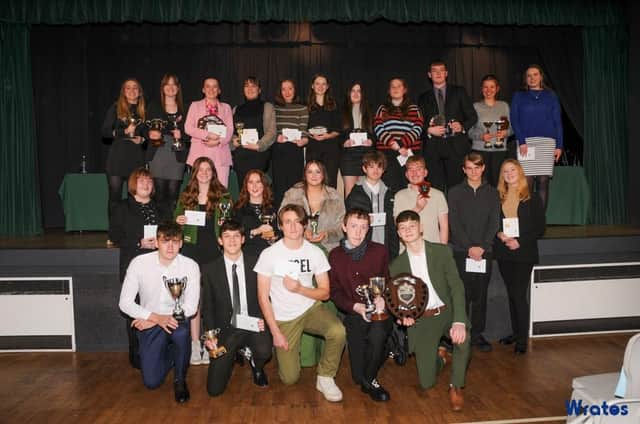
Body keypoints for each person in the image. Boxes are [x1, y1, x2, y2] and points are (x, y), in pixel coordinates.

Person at [255, 204, 346, 402]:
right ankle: (284, 356)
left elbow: (325, 293)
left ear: (305, 225)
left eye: (298, 221)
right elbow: (263, 297)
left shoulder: (315, 252)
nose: (293, 226)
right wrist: (275, 333)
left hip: (309, 308)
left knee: (338, 331)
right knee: (289, 379)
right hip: (284, 317)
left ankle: (325, 377)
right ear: (280, 226)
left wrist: (300, 289)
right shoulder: (269, 255)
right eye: (288, 222)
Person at [390, 210, 470, 412]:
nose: (408, 230)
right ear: (398, 233)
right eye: (403, 227)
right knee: (427, 383)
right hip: (424, 320)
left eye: (412, 226)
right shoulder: (396, 266)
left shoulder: (441, 252)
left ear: (421, 227)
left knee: (463, 339)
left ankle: (456, 386)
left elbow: (456, 286)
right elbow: (400, 303)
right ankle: (441, 356)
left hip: (447, 312)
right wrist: (404, 318)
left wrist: (459, 321)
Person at [118, 222, 200, 403]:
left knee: (182, 333)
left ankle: (180, 380)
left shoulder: (190, 266)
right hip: (151, 322)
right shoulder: (139, 263)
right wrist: (155, 319)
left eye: (175, 241)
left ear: (181, 244)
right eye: (165, 241)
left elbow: (191, 307)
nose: (170, 246)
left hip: (176, 322)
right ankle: (174, 354)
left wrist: (157, 319)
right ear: (156, 242)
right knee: (151, 382)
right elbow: (124, 303)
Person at [201, 220, 273, 396]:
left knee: (264, 350)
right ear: (220, 240)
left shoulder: (256, 263)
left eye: (236, 236)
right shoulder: (209, 269)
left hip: (253, 322)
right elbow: (208, 307)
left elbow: (266, 297)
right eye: (227, 236)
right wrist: (211, 336)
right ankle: (236, 351)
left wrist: (264, 320)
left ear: (242, 239)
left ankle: (256, 364)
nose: (231, 241)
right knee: (214, 390)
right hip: (227, 328)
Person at [328, 209, 392, 401]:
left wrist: (383, 298)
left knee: (378, 333)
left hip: (379, 311)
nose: (358, 232)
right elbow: (334, 291)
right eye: (354, 226)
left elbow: (386, 281)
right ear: (344, 227)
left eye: (363, 227)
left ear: (368, 229)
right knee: (357, 377)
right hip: (354, 312)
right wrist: (355, 306)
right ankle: (383, 351)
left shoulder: (379, 251)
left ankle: (371, 380)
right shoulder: (335, 255)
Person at [175, 156, 233, 365]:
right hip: (191, 252)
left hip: (214, 252)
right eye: (201, 169)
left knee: (211, 301)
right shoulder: (186, 196)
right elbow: (176, 222)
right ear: (195, 172)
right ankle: (194, 345)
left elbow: (229, 224)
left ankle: (212, 344)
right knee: (194, 301)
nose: (205, 173)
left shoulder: (223, 196)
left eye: (209, 169)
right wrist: (179, 221)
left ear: (213, 172)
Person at [447, 153, 500, 352]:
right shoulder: (454, 192)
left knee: (480, 295)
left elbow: (494, 221)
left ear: (483, 168)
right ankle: (460, 333)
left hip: (484, 252)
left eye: (477, 167)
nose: (473, 171)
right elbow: (455, 223)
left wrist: (483, 246)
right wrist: (469, 247)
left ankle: (477, 334)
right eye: (469, 168)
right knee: (461, 294)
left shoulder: (493, 193)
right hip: (462, 251)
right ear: (463, 170)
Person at [109, 167, 161, 369]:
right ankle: (137, 354)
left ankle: (158, 351)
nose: (146, 185)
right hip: (134, 265)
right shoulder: (122, 207)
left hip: (159, 265)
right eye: (141, 182)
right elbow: (114, 235)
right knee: (136, 310)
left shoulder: (161, 207)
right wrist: (139, 243)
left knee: (158, 308)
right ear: (133, 185)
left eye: (149, 182)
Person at [494, 160, 545, 354]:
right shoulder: (498, 196)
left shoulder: (532, 197)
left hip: (524, 252)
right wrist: (499, 234)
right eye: (505, 171)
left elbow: (540, 228)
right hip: (504, 250)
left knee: (518, 294)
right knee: (511, 294)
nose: (509, 173)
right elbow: (493, 222)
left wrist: (519, 241)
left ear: (520, 172)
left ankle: (522, 340)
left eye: (512, 170)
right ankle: (516, 333)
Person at [419, 61, 478, 192]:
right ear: (429, 75)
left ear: (446, 73)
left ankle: (457, 213)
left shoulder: (459, 92)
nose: (438, 73)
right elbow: (418, 124)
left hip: (456, 147)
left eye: (441, 70)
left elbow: (472, 116)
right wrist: (428, 130)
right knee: (434, 188)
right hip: (433, 149)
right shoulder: (423, 98)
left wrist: (462, 126)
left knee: (457, 188)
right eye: (435, 71)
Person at [510, 65, 563, 210]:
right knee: (526, 183)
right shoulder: (518, 96)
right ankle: (527, 219)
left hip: (547, 144)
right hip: (526, 143)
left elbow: (557, 121)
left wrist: (559, 145)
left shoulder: (551, 95)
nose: (532, 78)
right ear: (525, 79)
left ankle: (540, 220)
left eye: (535, 74)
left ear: (541, 76)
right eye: (529, 75)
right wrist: (521, 141)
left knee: (543, 182)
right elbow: (514, 120)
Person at [101, 78, 147, 219]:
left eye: (135, 88)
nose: (132, 90)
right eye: (128, 88)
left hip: (136, 158)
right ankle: (113, 233)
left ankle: (133, 230)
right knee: (115, 198)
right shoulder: (116, 108)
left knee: (136, 198)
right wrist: (124, 132)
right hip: (117, 158)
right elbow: (105, 133)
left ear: (139, 92)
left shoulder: (144, 110)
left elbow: (149, 134)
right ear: (123, 92)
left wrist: (143, 139)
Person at [146, 73, 190, 219]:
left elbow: (192, 131)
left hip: (177, 154)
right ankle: (160, 229)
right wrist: (151, 133)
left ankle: (172, 229)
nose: (170, 87)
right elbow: (144, 127)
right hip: (158, 152)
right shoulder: (153, 106)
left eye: (174, 85)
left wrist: (182, 134)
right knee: (159, 194)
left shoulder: (186, 108)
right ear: (162, 88)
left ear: (178, 88)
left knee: (173, 194)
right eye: (167, 84)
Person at [281, 160, 345, 253]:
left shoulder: (335, 197)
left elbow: (342, 227)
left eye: (318, 172)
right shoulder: (292, 194)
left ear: (323, 175)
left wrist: (326, 235)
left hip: (328, 249)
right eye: (310, 172)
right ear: (305, 175)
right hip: (297, 247)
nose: (314, 175)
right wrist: (301, 231)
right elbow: (282, 221)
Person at [373, 78, 424, 193]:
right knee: (388, 187)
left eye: (399, 86)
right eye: (393, 86)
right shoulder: (382, 109)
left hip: (408, 153)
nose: (395, 89)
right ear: (389, 91)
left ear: (404, 90)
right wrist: (395, 145)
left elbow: (417, 128)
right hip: (387, 153)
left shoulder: (414, 109)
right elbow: (378, 128)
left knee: (409, 186)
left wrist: (401, 144)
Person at [345, 150, 398, 258]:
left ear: (383, 170)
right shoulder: (355, 193)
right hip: (362, 248)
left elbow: (393, 223)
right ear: (364, 169)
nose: (376, 170)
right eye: (371, 166)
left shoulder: (390, 193)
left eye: (379, 167)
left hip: (386, 247)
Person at [185, 77, 233, 187]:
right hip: (199, 154)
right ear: (203, 89)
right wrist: (207, 134)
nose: (211, 89)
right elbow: (188, 127)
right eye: (208, 86)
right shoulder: (195, 105)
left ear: (219, 90)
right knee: (199, 192)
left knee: (221, 192)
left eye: (214, 86)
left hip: (220, 155)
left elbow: (230, 130)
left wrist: (218, 142)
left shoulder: (226, 108)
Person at [467, 74, 513, 187]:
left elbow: (512, 128)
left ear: (497, 89)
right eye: (485, 87)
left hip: (500, 151)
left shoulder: (504, 106)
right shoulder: (475, 107)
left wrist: (505, 133)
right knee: (482, 184)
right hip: (480, 151)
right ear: (481, 89)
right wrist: (481, 136)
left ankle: (498, 205)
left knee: (500, 184)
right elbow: (468, 131)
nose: (489, 90)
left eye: (492, 87)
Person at [231, 76, 277, 187]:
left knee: (259, 192)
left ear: (259, 90)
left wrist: (259, 145)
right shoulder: (236, 109)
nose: (250, 89)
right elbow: (231, 132)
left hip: (259, 156)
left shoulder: (267, 107)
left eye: (253, 86)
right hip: (241, 158)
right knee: (243, 193)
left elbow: (272, 132)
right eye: (247, 86)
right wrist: (233, 141)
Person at [393, 156, 448, 245]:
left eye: (418, 169)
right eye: (411, 170)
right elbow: (398, 223)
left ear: (425, 172)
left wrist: (442, 250)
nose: (414, 173)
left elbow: (444, 227)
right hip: (408, 250)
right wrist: (417, 208)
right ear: (406, 174)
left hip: (433, 249)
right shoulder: (399, 196)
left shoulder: (438, 195)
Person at [272, 79, 309, 207]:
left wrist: (303, 140)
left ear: (295, 90)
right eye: (284, 89)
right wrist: (276, 137)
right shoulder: (274, 109)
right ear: (280, 92)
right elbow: (270, 131)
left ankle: (296, 218)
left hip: (295, 151)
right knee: (279, 188)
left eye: (290, 88)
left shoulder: (302, 108)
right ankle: (279, 221)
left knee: (295, 187)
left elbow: (304, 131)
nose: (287, 92)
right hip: (279, 151)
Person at [306, 74, 342, 188]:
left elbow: (339, 129)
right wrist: (310, 135)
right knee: (313, 183)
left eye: (323, 84)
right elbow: (302, 128)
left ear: (327, 87)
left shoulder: (334, 105)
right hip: (313, 149)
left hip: (331, 150)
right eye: (317, 83)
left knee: (330, 184)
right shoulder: (306, 106)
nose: (320, 86)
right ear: (312, 86)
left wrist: (328, 136)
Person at [340, 82, 375, 197]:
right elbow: (336, 133)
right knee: (350, 194)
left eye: (358, 91)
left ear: (362, 94)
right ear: (348, 93)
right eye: (353, 90)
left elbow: (376, 132)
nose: (355, 93)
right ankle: (350, 215)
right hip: (348, 156)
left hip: (366, 155)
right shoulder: (341, 111)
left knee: (365, 193)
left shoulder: (370, 111)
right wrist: (344, 142)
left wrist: (371, 141)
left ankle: (364, 216)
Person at [234, 170, 280, 256]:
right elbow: (235, 236)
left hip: (271, 255)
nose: (254, 186)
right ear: (246, 186)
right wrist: (257, 231)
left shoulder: (274, 207)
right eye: (251, 182)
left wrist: (274, 238)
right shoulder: (238, 209)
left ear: (264, 185)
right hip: (248, 256)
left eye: (258, 182)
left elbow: (281, 232)